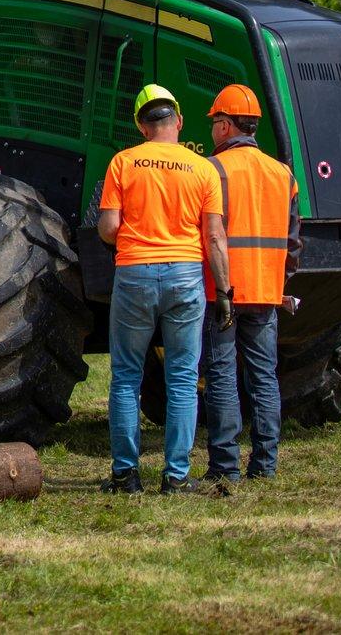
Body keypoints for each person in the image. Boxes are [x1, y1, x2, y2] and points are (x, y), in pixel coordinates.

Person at [97, 83, 231, 494]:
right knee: (183, 378)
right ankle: (175, 477)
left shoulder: (123, 163)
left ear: (141, 125)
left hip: (135, 273)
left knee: (125, 377)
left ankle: (126, 475)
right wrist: (224, 292)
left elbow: (109, 228)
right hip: (186, 276)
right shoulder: (205, 168)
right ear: (179, 120)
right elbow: (214, 238)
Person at [199, 83, 303, 482]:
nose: (213, 130)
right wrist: (279, 281)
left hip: (221, 290)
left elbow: (206, 235)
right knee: (263, 376)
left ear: (225, 125)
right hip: (265, 290)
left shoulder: (213, 170)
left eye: (214, 123)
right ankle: (265, 464)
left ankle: (225, 467)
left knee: (222, 375)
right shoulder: (284, 175)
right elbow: (294, 242)